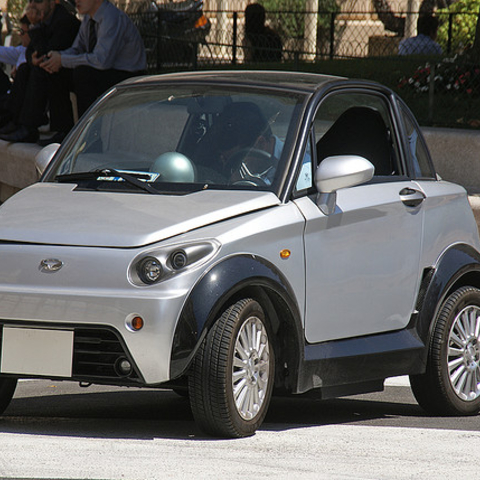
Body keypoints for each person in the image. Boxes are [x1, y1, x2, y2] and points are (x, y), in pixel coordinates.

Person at [41, 0, 147, 121]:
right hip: (105, 71)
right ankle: (63, 131)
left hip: (127, 75)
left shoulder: (111, 17)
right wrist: (56, 58)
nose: (76, 1)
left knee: (83, 74)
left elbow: (101, 61)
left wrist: (63, 60)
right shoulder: (88, 19)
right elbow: (77, 49)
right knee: (56, 70)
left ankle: (90, 131)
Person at [0, 0, 80, 144]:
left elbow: (49, 51)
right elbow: (30, 50)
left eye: (38, 1)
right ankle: (16, 121)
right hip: (53, 65)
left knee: (42, 71)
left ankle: (32, 127)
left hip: (71, 71)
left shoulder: (64, 21)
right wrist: (33, 60)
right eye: (31, 2)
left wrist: (35, 26)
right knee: (25, 69)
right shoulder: (43, 20)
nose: (33, 6)